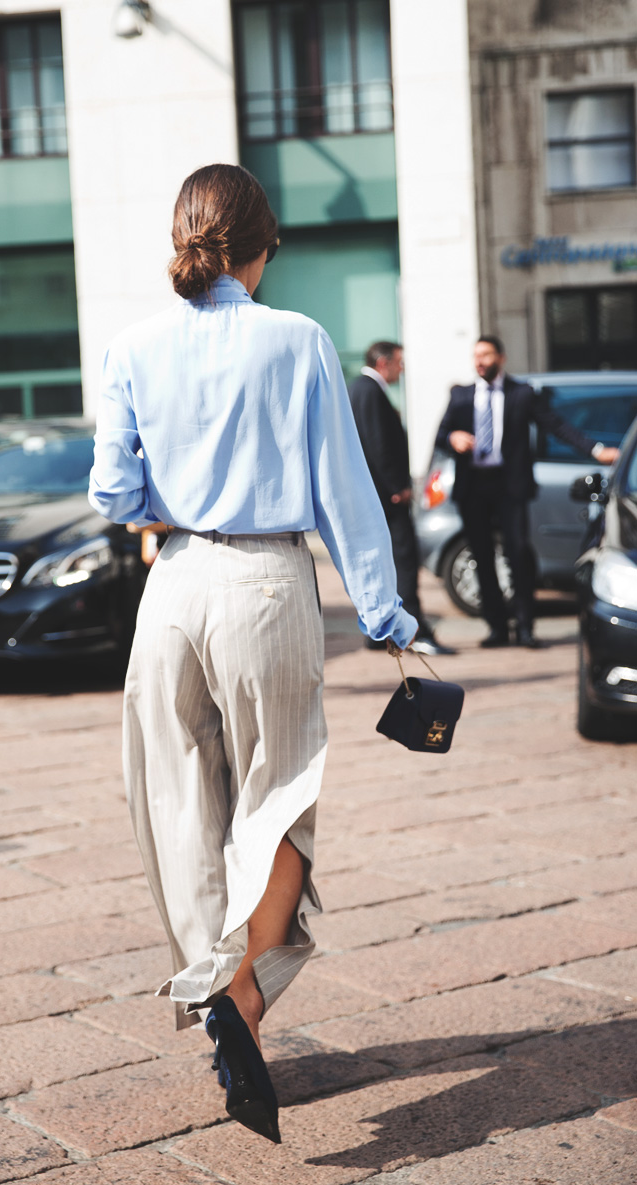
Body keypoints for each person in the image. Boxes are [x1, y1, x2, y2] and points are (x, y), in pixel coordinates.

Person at [88, 164, 417, 1144]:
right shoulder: (299, 340)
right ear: (262, 247)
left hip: (173, 585)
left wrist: (174, 507)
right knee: (277, 810)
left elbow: (112, 495)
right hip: (267, 583)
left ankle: (217, 1002)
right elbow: (342, 492)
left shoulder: (133, 344)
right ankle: (241, 1005)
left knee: (178, 805)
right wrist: (386, 614)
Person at [435, 335, 619, 648]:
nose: (480, 361)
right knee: (482, 554)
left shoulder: (521, 394)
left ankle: (524, 628)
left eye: (486, 355)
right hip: (474, 487)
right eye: (476, 355)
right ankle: (496, 629)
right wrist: (453, 438)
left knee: (518, 554)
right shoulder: (462, 396)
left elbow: (557, 426)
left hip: (510, 487)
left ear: (501, 358)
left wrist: (595, 449)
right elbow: (441, 436)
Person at [349, 341, 455, 657]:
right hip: (387, 496)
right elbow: (376, 443)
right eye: (398, 362)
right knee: (404, 561)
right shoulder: (368, 390)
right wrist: (397, 486)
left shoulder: (362, 389)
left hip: (377, 495)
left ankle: (379, 633)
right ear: (383, 363)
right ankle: (412, 631)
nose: (402, 368)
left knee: (382, 564)